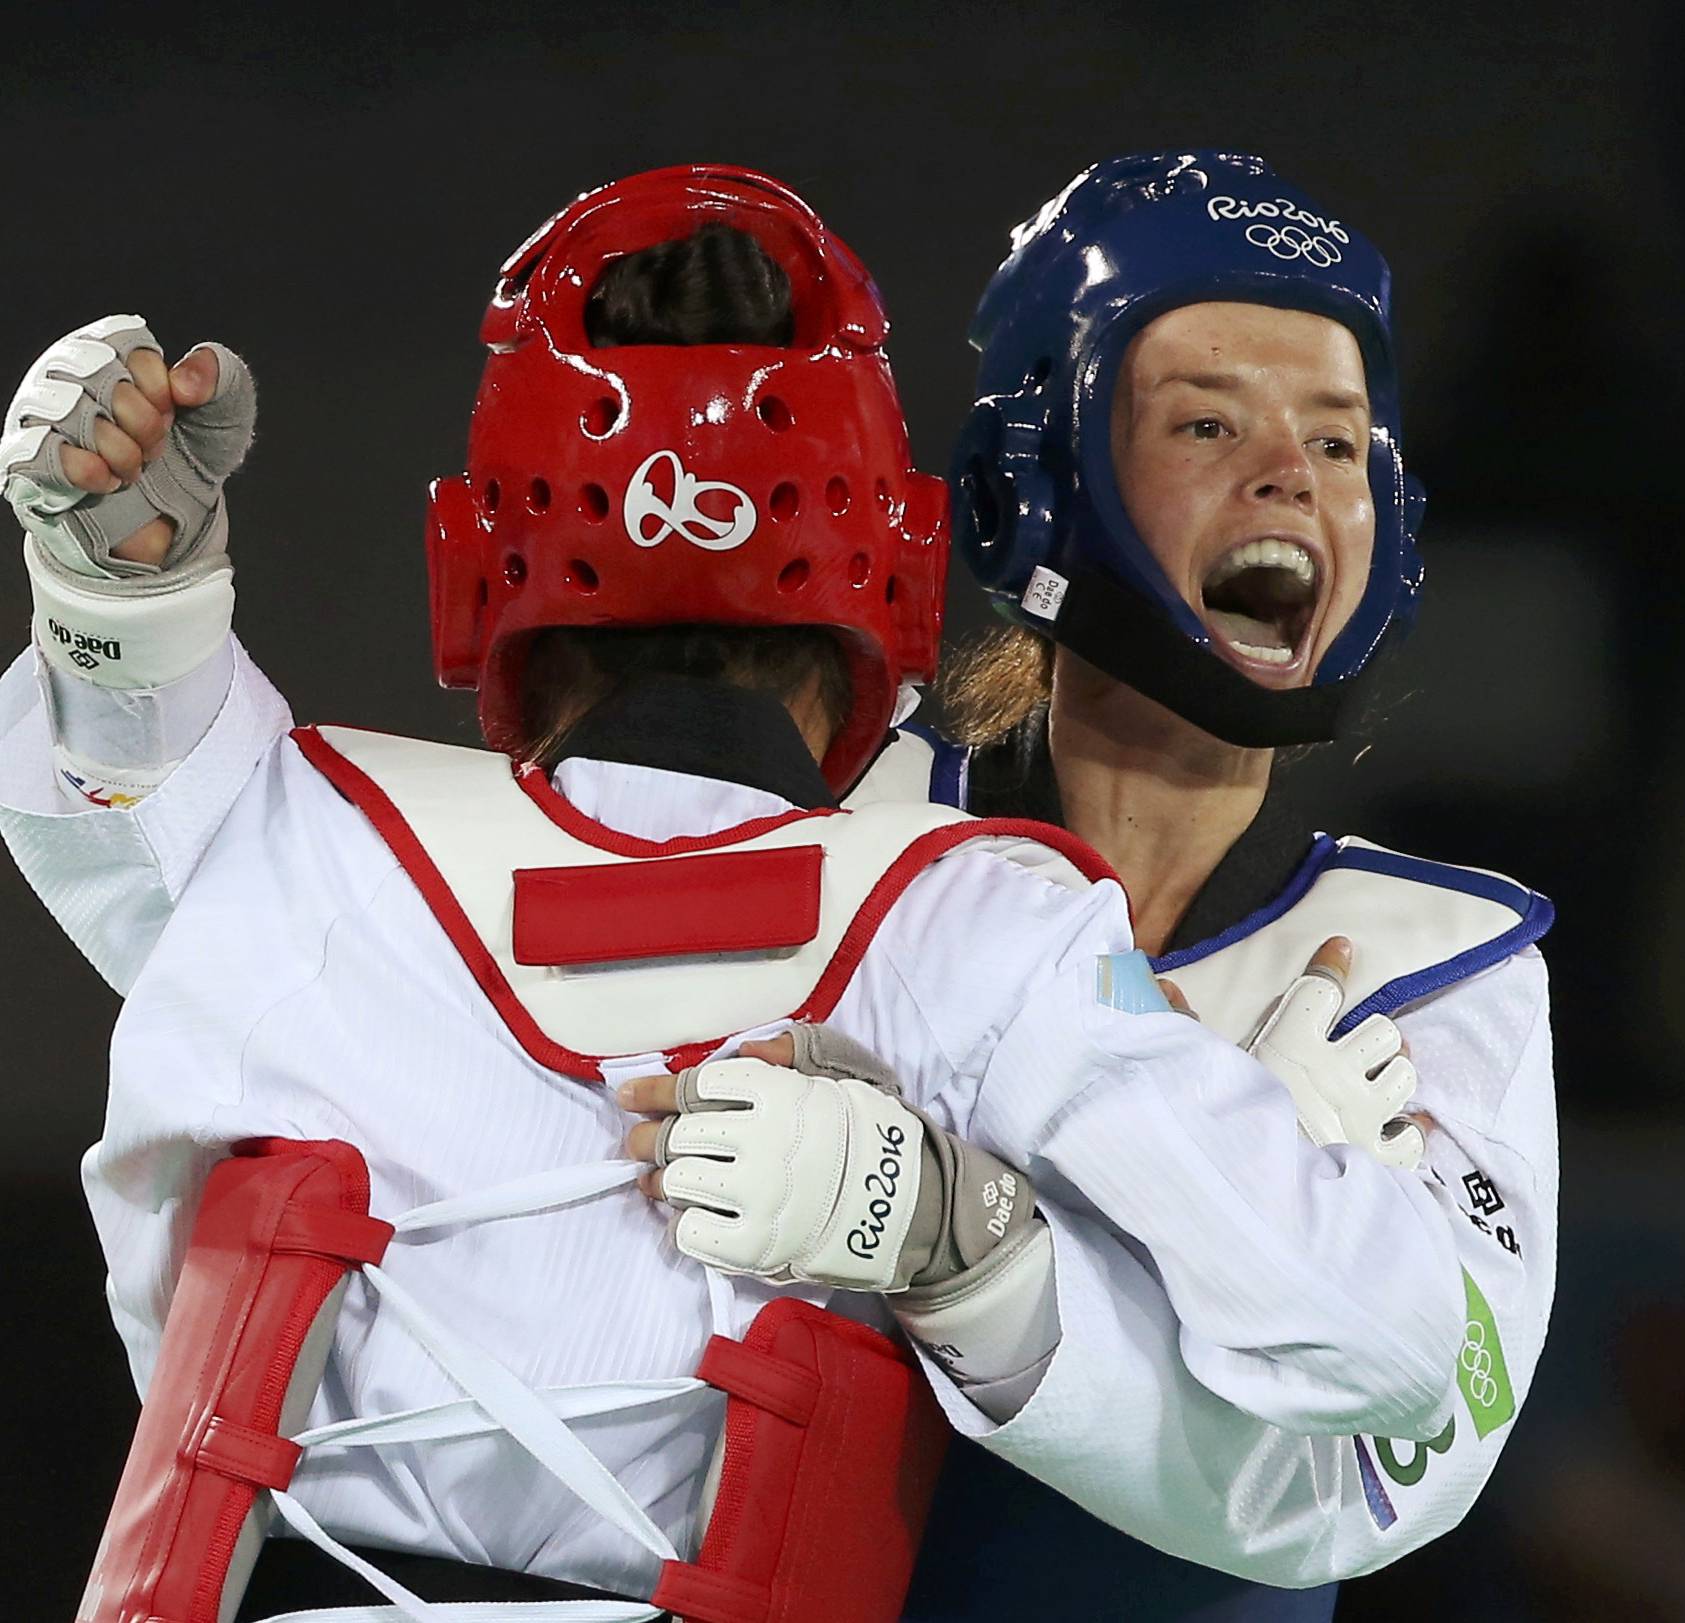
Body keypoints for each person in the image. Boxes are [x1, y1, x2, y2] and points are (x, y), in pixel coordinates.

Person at [0, 166, 1470, 1622]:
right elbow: (1384, 1342)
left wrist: (116, 581)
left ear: (478, 561)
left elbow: (128, 738)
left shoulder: (298, 838)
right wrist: (988, 1219)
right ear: (890, 571)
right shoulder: (969, 932)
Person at [841, 151, 1560, 1618]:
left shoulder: (1446, 963)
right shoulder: (840, 834)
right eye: (1207, 421)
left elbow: (1396, 1467)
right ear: (1036, 485)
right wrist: (1255, 1195)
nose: (1289, 471)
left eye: (1341, 443)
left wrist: (985, 1238)